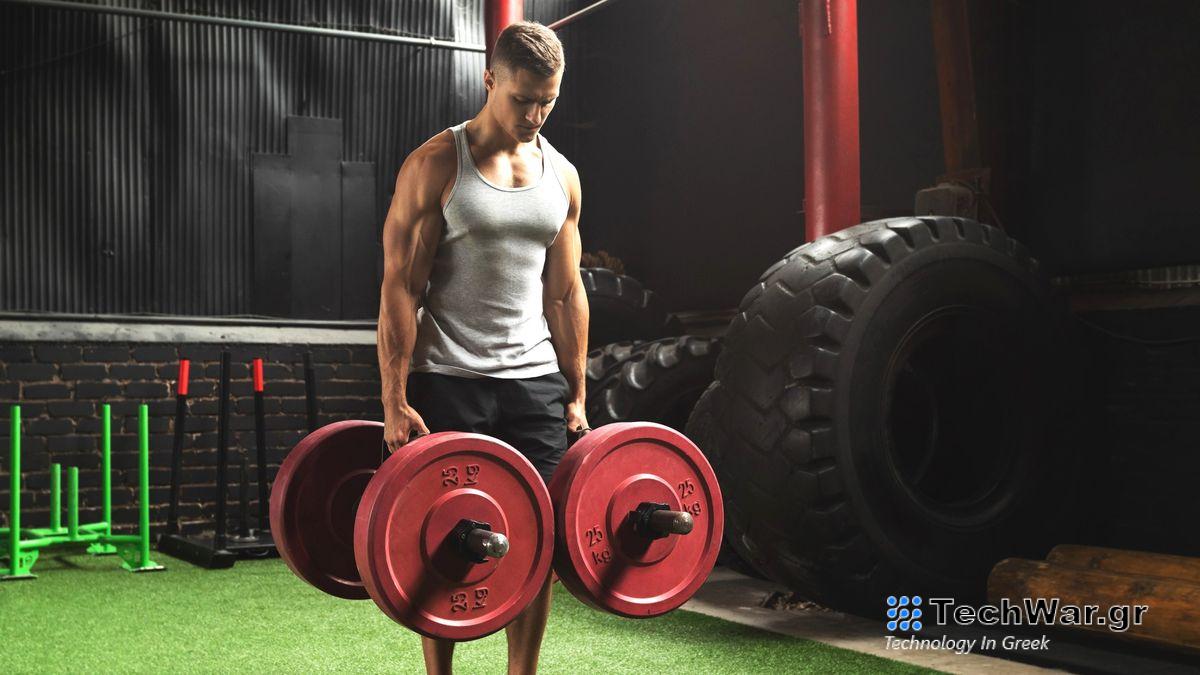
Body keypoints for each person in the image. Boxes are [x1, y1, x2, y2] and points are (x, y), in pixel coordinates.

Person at [375, 20, 587, 675]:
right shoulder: (437, 164)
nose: (534, 115)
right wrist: (394, 399)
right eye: (522, 98)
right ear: (490, 79)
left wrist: (577, 391)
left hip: (533, 382)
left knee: (538, 540)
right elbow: (400, 287)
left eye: (547, 101)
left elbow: (565, 293)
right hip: (449, 378)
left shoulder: (562, 176)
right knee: (446, 539)